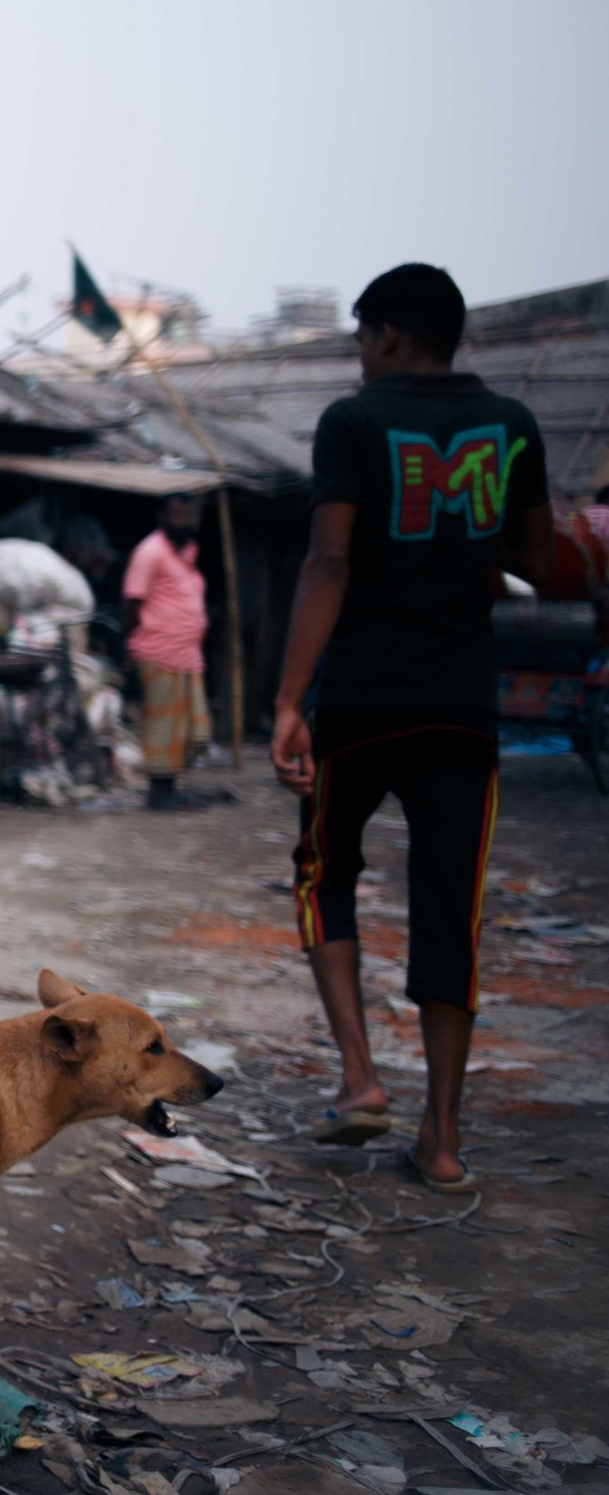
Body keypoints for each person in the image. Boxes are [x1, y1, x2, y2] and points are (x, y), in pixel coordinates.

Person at [271, 264, 552, 1194]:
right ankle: (441, 1140)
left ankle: (359, 1078)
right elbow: (539, 557)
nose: (358, 354)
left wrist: (289, 700)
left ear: (388, 334)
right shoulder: (511, 426)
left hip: (359, 700)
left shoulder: (354, 424)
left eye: (360, 336)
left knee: (324, 874)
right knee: (450, 911)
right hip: (463, 707)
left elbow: (328, 561)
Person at [123, 492, 214, 808]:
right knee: (164, 725)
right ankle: (159, 792)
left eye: (187, 515)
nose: (183, 521)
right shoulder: (150, 552)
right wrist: (129, 645)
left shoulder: (187, 552)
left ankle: (171, 785)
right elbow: (132, 602)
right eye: (176, 515)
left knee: (187, 727)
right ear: (161, 516)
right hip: (157, 650)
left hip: (186, 655)